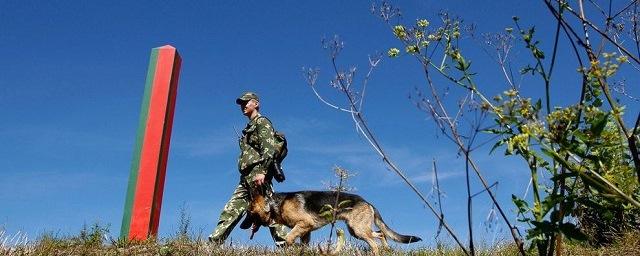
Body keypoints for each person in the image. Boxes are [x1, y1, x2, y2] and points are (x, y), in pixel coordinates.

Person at [208, 91, 288, 246]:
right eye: (242, 104)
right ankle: (213, 243)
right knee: (231, 209)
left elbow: (269, 149)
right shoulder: (248, 128)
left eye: (246, 102)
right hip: (246, 177)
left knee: (269, 211)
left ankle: (287, 245)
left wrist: (263, 171)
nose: (243, 106)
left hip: (258, 174)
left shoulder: (262, 122)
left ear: (256, 104)